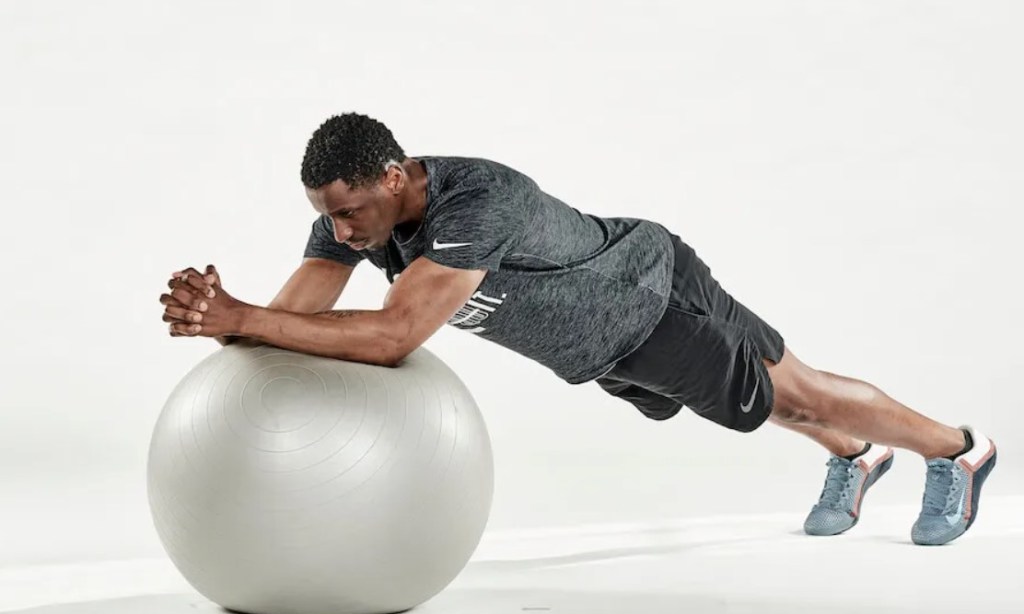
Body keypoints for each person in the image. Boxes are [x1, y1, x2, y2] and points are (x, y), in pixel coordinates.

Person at [160, 112, 997, 546]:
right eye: (327, 218)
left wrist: (241, 319)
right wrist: (222, 319)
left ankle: (956, 449)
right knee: (784, 396)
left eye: (349, 213)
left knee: (799, 396)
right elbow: (291, 317)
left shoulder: (475, 200)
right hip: (604, 343)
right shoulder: (361, 220)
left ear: (393, 174)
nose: (341, 234)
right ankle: (859, 458)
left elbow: (391, 336)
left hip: (653, 303)